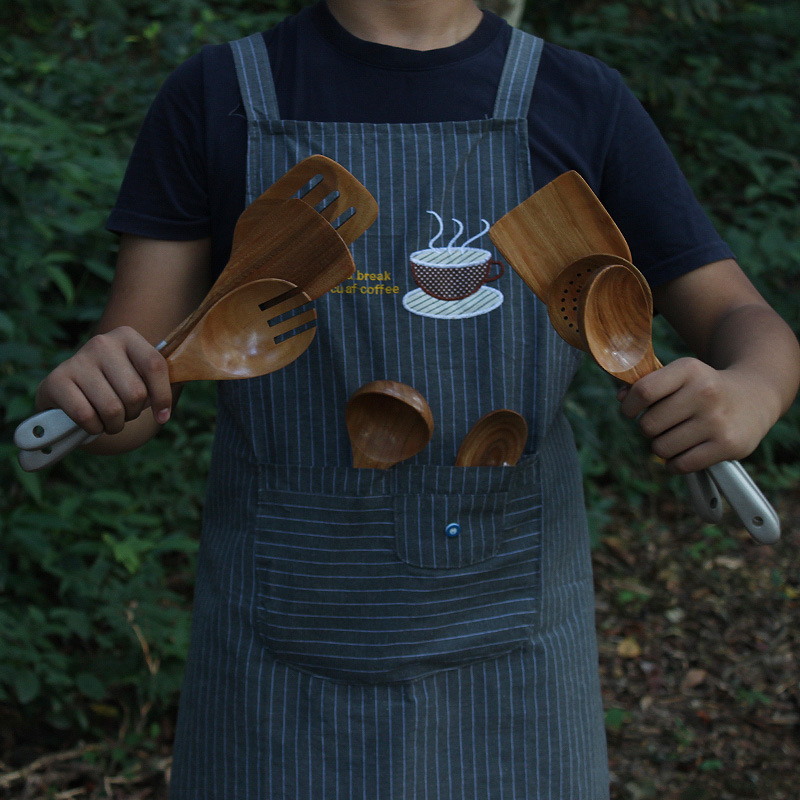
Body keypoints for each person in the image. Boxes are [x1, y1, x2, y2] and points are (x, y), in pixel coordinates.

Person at [34, 1, 800, 797]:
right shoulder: (219, 95)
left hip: (517, 679)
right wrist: (97, 391)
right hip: (274, 686)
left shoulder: (577, 99)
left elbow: (746, 321)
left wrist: (753, 387)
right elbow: (130, 391)